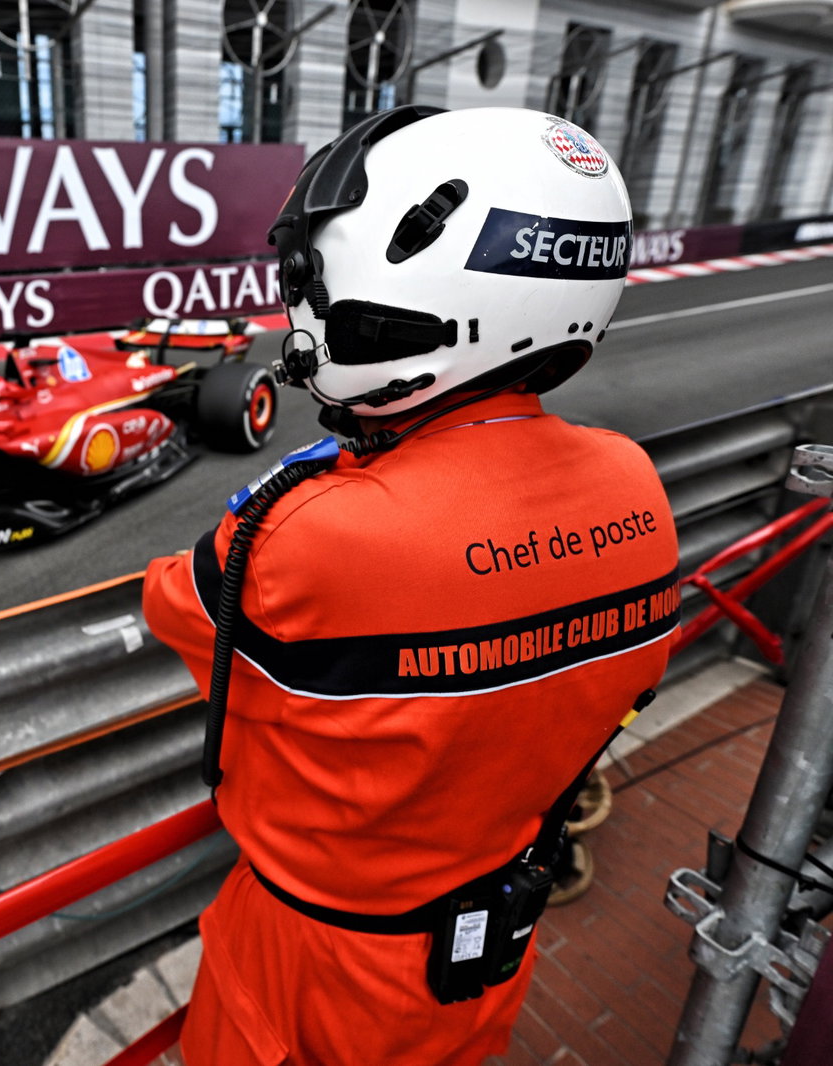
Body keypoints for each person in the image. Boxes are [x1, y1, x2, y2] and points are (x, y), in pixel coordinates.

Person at [142, 106, 680, 1065]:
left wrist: (340, 469)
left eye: (313, 275)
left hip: (310, 965)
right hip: (483, 957)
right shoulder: (635, 485)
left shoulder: (304, 529)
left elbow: (174, 604)